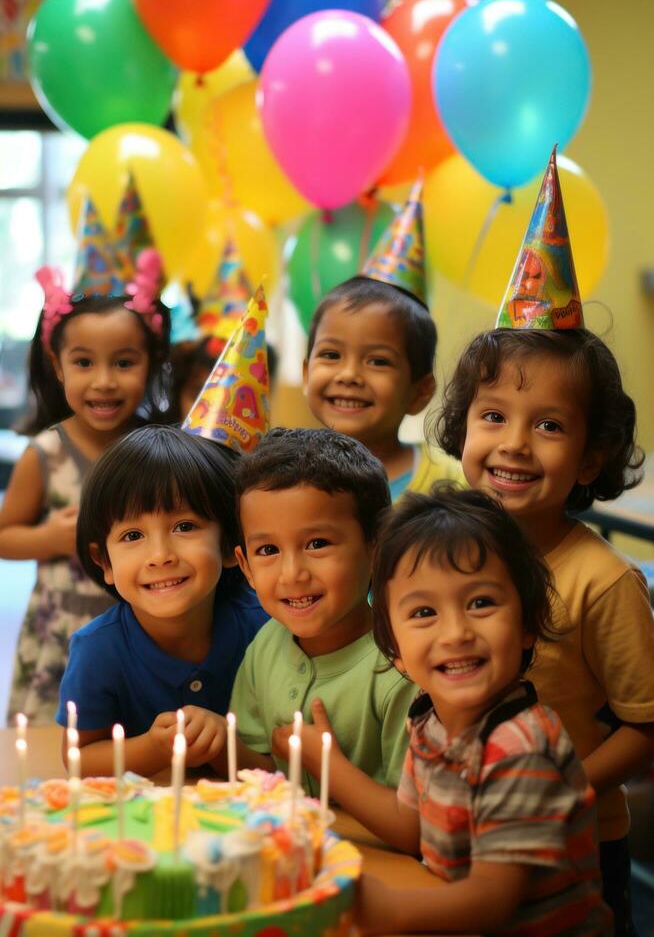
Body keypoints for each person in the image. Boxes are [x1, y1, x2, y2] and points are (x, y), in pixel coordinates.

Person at [434, 149, 654, 933]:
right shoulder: (444, 552)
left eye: (550, 426)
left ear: (592, 455)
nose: (515, 445)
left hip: (571, 853)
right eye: (493, 417)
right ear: (463, 427)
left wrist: (562, 787)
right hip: (453, 838)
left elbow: (646, 728)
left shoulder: (602, 581)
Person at [319, 486, 610, 935]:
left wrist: (392, 909)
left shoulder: (519, 749)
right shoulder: (427, 718)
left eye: (480, 603)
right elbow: (409, 826)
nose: (456, 632)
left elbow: (493, 900)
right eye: (423, 612)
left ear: (528, 624)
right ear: (394, 649)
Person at [0, 254, 172, 724]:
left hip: (146, 628)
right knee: (63, 745)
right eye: (83, 362)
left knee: (137, 743)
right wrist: (49, 539)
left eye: (123, 362)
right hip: (65, 632)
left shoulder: (161, 452)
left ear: (151, 362)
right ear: (57, 365)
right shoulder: (46, 455)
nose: (103, 381)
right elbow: (3, 536)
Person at [56, 425, 267, 777]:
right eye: (133, 535)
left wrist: (225, 746)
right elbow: (80, 759)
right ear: (104, 562)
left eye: (184, 526)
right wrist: (154, 747)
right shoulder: (98, 650)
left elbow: (286, 763)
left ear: (232, 543)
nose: (160, 555)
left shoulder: (266, 630)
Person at [225, 426, 416, 793]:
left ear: (378, 548)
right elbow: (262, 773)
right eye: (268, 551)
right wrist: (219, 741)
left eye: (317, 543)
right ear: (245, 565)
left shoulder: (403, 667)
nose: (292, 573)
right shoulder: (264, 645)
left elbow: (415, 821)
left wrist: (328, 768)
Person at [302, 180, 464, 500]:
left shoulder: (451, 487)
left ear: (420, 392)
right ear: (306, 373)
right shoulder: (282, 480)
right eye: (331, 355)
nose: (349, 375)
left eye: (378, 361)